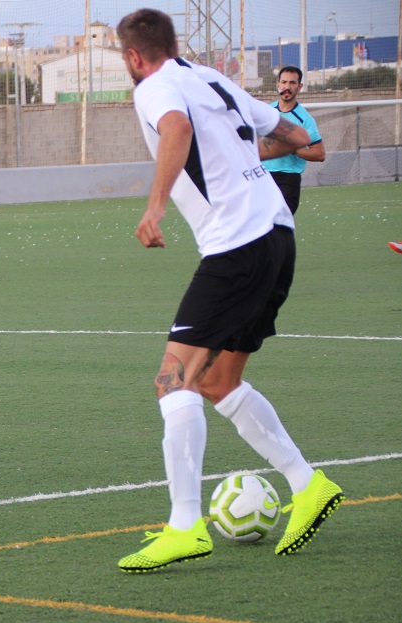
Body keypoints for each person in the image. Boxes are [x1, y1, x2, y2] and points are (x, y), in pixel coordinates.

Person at [113, 8, 343, 573]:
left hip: (237, 246)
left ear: (134, 56)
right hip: (277, 237)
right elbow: (296, 135)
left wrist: (155, 206)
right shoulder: (210, 78)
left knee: (174, 381)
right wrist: (240, 157)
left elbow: (177, 129)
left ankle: (185, 526)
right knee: (217, 381)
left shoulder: (154, 86)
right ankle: (307, 485)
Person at [261, 66, 325, 215]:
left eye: (292, 83)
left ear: (299, 86)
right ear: (278, 84)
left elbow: (320, 154)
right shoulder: (267, 112)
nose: (287, 87)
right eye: (284, 82)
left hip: (287, 180)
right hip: (262, 176)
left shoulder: (304, 119)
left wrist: (292, 148)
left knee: (279, 222)